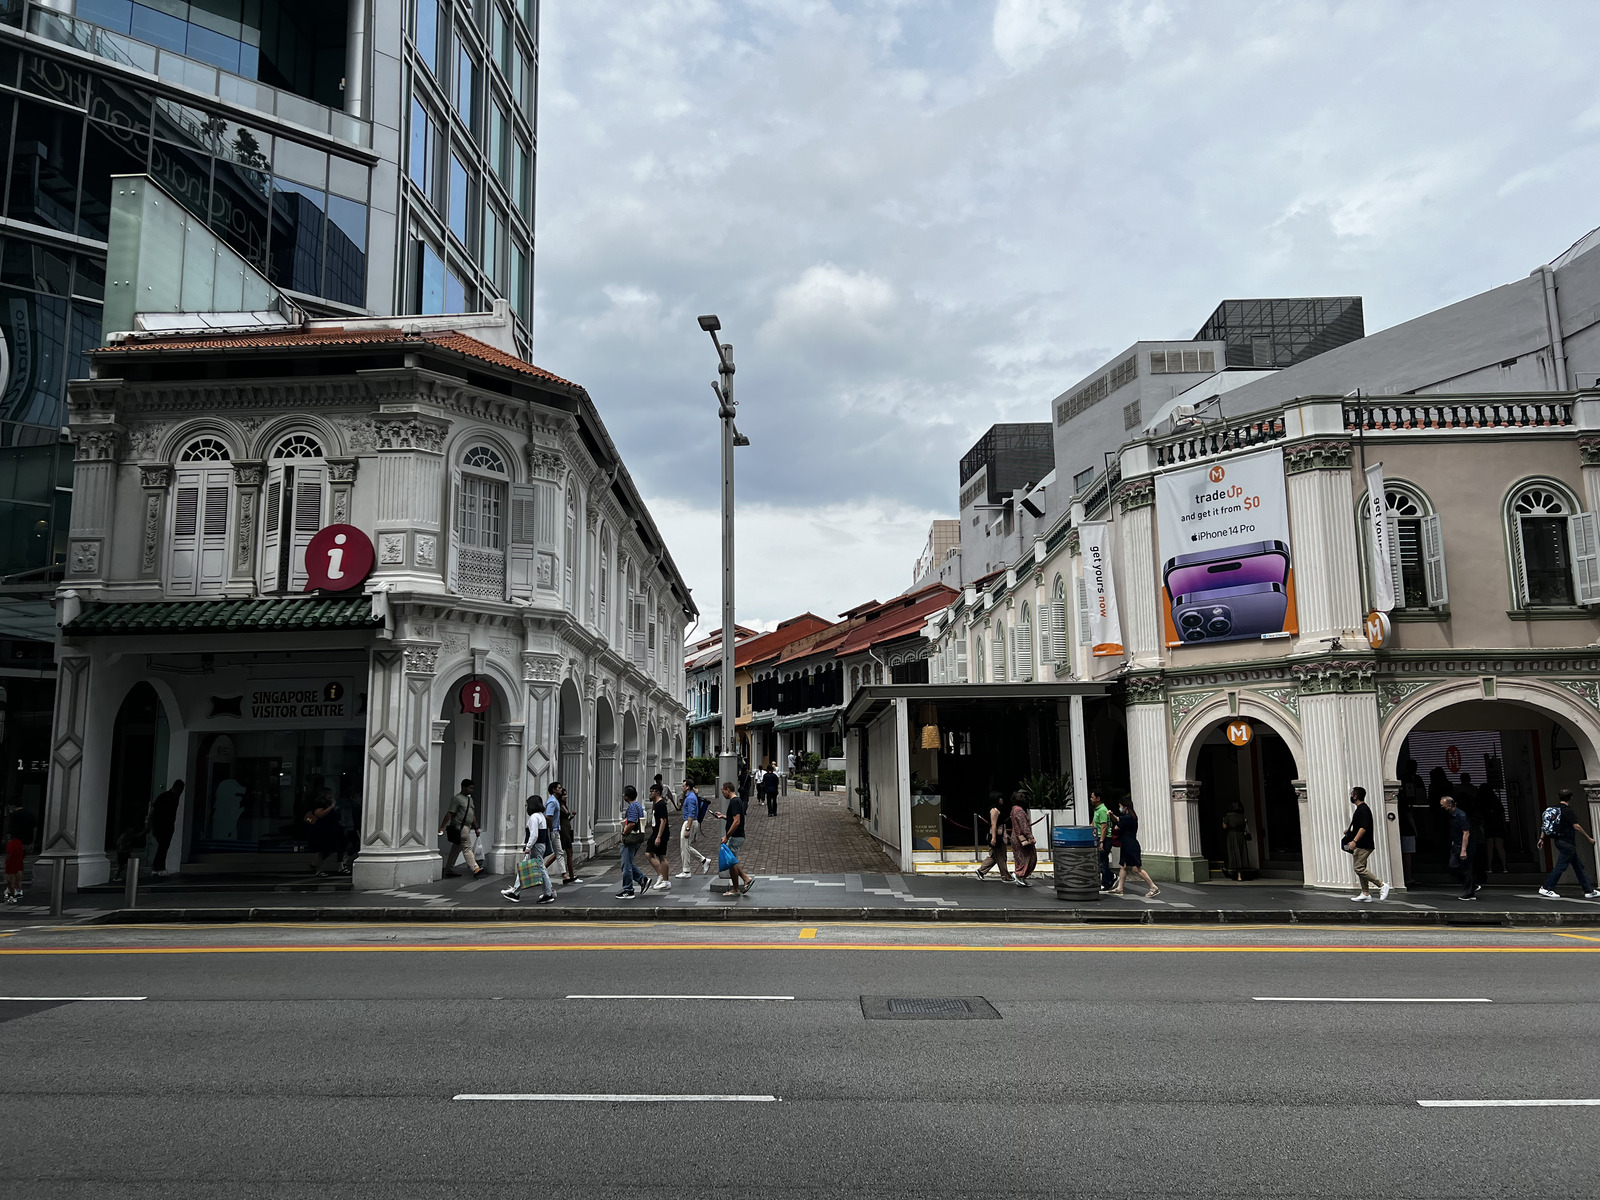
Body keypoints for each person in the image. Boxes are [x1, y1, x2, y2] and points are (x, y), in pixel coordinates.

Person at [1537, 789, 1600, 900]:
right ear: (1571, 798)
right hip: (1567, 842)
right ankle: (1546, 888)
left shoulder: (1554, 809)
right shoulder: (1567, 811)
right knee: (1561, 866)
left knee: (1578, 866)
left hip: (1559, 841)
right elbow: (1576, 826)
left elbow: (1545, 825)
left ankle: (1589, 890)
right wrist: (1589, 838)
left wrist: (1542, 838)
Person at [501, 797, 556, 904]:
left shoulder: (534, 817)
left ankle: (548, 893)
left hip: (535, 846)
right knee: (529, 867)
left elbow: (534, 834)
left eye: (527, 805)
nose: (526, 807)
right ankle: (516, 891)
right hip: (540, 845)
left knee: (539, 868)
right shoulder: (541, 816)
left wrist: (528, 847)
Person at [1343, 786, 1389, 902]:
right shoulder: (1360, 809)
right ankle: (1365, 893)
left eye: (1352, 794)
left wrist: (1354, 841)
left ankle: (1382, 885)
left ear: (1356, 796)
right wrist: (1349, 832)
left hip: (1363, 844)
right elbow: (1358, 826)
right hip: (1361, 844)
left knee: (1358, 868)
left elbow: (1363, 827)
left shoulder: (1363, 809)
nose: (1351, 796)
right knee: (1361, 867)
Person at [1111, 800, 1160, 898]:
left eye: (1120, 806)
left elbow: (1117, 824)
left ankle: (1153, 887)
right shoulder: (1131, 817)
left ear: (1125, 807)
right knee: (1123, 866)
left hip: (1130, 846)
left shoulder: (1128, 818)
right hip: (1127, 845)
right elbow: (1117, 820)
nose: (1120, 809)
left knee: (1136, 868)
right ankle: (1120, 888)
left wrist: (1110, 814)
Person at [715, 781, 754, 897]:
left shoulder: (734, 802)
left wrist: (727, 836)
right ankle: (738, 885)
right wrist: (723, 816)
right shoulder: (736, 801)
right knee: (731, 861)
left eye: (723, 791)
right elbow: (734, 819)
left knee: (731, 861)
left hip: (736, 836)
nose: (723, 794)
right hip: (736, 836)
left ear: (728, 790)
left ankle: (742, 882)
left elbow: (737, 821)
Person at [437, 779, 484, 879]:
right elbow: (450, 813)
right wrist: (442, 826)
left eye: (472, 788)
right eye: (469, 788)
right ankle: (475, 868)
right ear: (463, 787)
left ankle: (449, 869)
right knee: (467, 847)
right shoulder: (457, 799)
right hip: (460, 827)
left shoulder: (469, 800)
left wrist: (475, 828)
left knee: (456, 848)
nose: (471, 790)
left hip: (466, 826)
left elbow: (472, 815)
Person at [617, 785, 651, 898]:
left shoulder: (631, 807)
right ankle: (642, 879)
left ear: (626, 796)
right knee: (629, 863)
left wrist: (624, 833)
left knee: (625, 865)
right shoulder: (638, 806)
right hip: (637, 838)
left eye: (624, 794)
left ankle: (628, 889)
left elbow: (631, 823)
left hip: (630, 839)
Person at [1440, 794, 1476, 900]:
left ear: (1450, 805)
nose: (1443, 808)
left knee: (1467, 868)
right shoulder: (1451, 816)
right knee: (1453, 866)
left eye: (1444, 806)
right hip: (1456, 844)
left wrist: (1463, 850)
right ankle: (1470, 885)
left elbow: (1466, 833)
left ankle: (1469, 891)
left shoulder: (1461, 815)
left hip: (1465, 845)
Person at [147, 779, 184, 877]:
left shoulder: (168, 797)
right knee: (163, 847)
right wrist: (149, 822)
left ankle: (158, 867)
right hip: (162, 825)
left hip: (164, 825)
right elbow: (153, 809)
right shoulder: (167, 797)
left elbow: (153, 809)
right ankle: (158, 867)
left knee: (163, 847)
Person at [676, 779, 713, 877]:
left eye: (683, 786)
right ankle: (704, 861)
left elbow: (691, 814)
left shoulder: (690, 798)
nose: (682, 787)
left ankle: (687, 870)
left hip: (689, 822)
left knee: (684, 846)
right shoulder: (691, 796)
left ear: (688, 787)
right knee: (686, 846)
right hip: (691, 822)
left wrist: (688, 829)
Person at [973, 792, 1012, 881]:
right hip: (997, 834)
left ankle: (981, 871)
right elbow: (994, 825)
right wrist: (994, 838)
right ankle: (1005, 875)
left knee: (994, 856)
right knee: (1001, 856)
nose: (1002, 800)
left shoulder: (998, 809)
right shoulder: (994, 810)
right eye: (1000, 798)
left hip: (1000, 832)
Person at [551, 781, 583, 885]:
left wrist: (571, 817)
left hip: (566, 829)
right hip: (562, 831)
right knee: (567, 852)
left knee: (559, 853)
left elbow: (565, 819)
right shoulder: (556, 804)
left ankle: (569, 875)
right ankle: (570, 875)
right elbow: (552, 818)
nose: (565, 796)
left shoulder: (563, 805)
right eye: (563, 794)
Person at [305, 789, 342, 877]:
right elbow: (320, 814)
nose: (330, 796)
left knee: (326, 850)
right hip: (321, 830)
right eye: (328, 794)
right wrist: (331, 807)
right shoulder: (320, 804)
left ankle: (315, 864)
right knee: (322, 850)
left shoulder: (326, 804)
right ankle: (318, 869)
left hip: (328, 829)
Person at [644, 783, 673, 891]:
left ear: (657, 792)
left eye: (652, 791)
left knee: (661, 856)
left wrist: (659, 836)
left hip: (660, 833)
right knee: (650, 853)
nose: (650, 794)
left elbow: (663, 820)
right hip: (656, 832)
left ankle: (665, 880)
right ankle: (661, 876)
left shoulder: (661, 804)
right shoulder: (657, 804)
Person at [1008, 791, 1037, 887]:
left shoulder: (1014, 809)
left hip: (1016, 836)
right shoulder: (1019, 811)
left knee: (1021, 857)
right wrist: (1030, 837)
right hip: (1021, 837)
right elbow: (1023, 826)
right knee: (1028, 857)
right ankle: (1019, 874)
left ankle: (1022, 877)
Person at [1221, 800, 1251, 883]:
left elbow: (1224, 826)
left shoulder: (1228, 815)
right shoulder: (1241, 816)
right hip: (1240, 835)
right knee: (1240, 853)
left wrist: (1223, 821)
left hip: (1232, 835)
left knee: (1232, 852)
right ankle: (1239, 875)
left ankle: (1231, 869)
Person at [3, 826, 22, 905]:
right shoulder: (19, 843)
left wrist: (5, 862)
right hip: (19, 864)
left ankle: (12, 896)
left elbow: (9, 854)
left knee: (10, 881)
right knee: (17, 880)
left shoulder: (10, 844)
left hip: (11, 864)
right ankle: (16, 893)